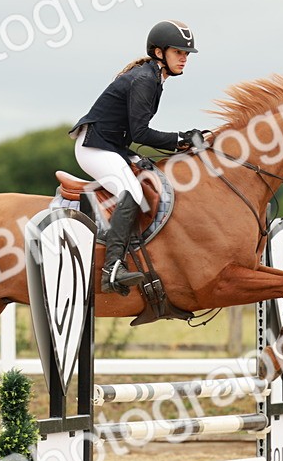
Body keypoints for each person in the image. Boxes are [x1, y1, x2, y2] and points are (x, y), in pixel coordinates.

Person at [70, 19, 206, 294]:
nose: (184, 59)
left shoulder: (152, 77)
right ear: (159, 53)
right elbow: (141, 132)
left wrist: (181, 142)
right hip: (94, 147)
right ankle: (112, 269)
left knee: (153, 179)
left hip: (112, 146)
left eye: (186, 54)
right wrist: (181, 139)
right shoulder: (145, 80)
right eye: (178, 52)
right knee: (131, 191)